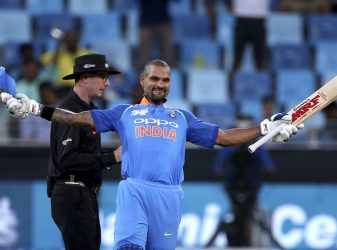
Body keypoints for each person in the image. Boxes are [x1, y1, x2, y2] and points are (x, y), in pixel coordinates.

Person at [1, 59, 303, 250]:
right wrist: (36, 108)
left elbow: (224, 138)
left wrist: (266, 127)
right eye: (155, 79)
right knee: (129, 246)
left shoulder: (181, 118)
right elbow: (77, 118)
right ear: (143, 81)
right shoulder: (125, 113)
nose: (160, 84)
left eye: (166, 80)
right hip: (135, 189)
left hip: (170, 195)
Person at [3, 53, 122, 250]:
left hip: (82, 193)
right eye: (103, 76)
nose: (107, 83)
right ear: (84, 77)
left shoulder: (86, 110)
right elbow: (68, 159)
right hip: (73, 190)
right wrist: (111, 157)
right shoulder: (71, 109)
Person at [206, 115, 277, 247]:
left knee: (247, 215)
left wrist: (254, 168)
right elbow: (218, 170)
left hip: (250, 187)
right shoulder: (229, 149)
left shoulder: (258, 149)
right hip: (234, 187)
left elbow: (270, 169)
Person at [226, 0, 270, 71]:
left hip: (259, 21)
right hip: (241, 20)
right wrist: (229, 5)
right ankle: (232, 80)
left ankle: (262, 80)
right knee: (237, 59)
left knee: (260, 60)